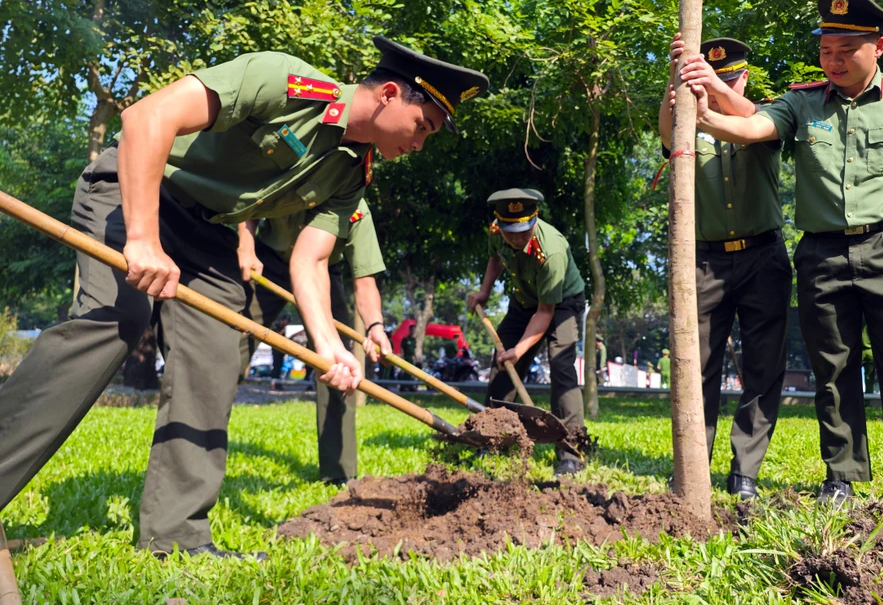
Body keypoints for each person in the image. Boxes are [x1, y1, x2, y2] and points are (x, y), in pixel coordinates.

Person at [0, 36, 489, 559]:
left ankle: (177, 537)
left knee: (213, 359)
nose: (419, 145)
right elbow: (145, 119)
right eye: (423, 127)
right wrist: (142, 237)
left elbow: (311, 260)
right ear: (391, 94)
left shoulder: (352, 172)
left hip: (208, 233)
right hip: (136, 191)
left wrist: (329, 344)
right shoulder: (286, 82)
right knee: (119, 318)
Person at [684, 0, 883, 517]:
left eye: (845, 51)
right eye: (826, 51)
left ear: (876, 47)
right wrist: (705, 111)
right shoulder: (802, 103)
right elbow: (754, 125)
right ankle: (841, 477)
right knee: (833, 367)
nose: (833, 61)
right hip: (821, 255)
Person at [660, 37, 790, 500]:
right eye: (712, 76)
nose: (717, 86)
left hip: (764, 257)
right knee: (696, 365)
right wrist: (675, 80)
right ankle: (694, 465)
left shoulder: (765, 115)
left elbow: (752, 116)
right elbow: (664, 135)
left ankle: (745, 472)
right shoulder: (685, 124)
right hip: (705, 261)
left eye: (729, 78)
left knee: (763, 367)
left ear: (743, 78)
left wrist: (716, 87)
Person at [240, 198, 389, 486]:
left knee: (338, 367)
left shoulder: (356, 208)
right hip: (267, 262)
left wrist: (375, 325)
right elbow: (250, 202)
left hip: (321, 271)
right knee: (230, 343)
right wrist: (245, 247)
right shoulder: (293, 173)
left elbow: (365, 281)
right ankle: (201, 442)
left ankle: (339, 472)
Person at [467, 189, 588, 475]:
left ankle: (572, 451)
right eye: (511, 232)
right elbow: (496, 258)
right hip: (523, 301)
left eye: (523, 231)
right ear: (500, 223)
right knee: (501, 366)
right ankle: (491, 439)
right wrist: (484, 291)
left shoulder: (552, 251)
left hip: (561, 305)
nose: (517, 238)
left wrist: (519, 350)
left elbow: (545, 313)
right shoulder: (497, 232)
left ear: (535, 219)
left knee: (561, 366)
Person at [270, 314, 292, 379]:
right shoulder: (276, 325)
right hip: (275, 348)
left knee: (279, 364)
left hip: (280, 349)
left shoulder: (283, 327)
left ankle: (277, 380)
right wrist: (282, 331)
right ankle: (274, 380)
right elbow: (275, 336)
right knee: (276, 364)